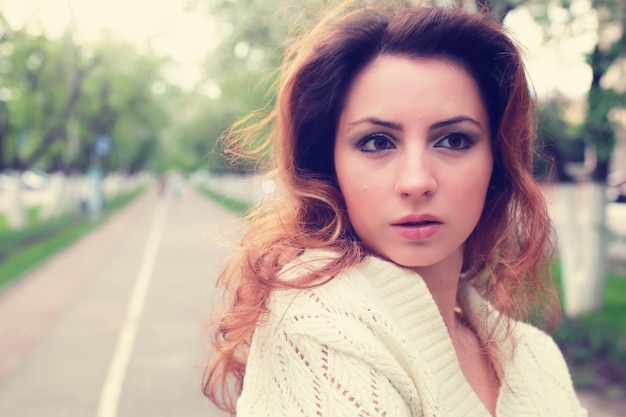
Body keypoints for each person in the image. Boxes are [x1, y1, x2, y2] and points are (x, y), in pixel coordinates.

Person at [203, 2, 588, 416]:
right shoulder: (318, 329)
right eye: (377, 142)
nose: (417, 181)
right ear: (328, 166)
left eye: (454, 140)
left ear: (497, 161)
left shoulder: (532, 355)